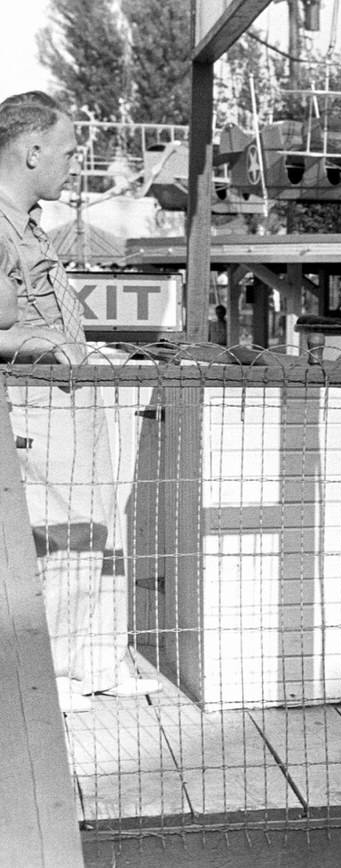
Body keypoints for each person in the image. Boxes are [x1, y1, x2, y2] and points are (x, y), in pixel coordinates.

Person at [0, 90, 157, 712]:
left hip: (76, 399)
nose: (72, 164)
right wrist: (49, 347)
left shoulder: (28, 221)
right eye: (66, 152)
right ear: (32, 149)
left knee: (105, 526)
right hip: (42, 405)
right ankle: (56, 670)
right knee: (62, 533)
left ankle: (98, 657)